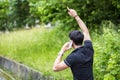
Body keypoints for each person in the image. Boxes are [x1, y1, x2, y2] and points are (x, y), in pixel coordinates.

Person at [52, 7, 94, 80]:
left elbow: (55, 68)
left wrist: (62, 51)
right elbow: (85, 31)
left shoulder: (73, 57)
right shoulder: (89, 49)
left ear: (71, 42)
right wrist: (76, 16)